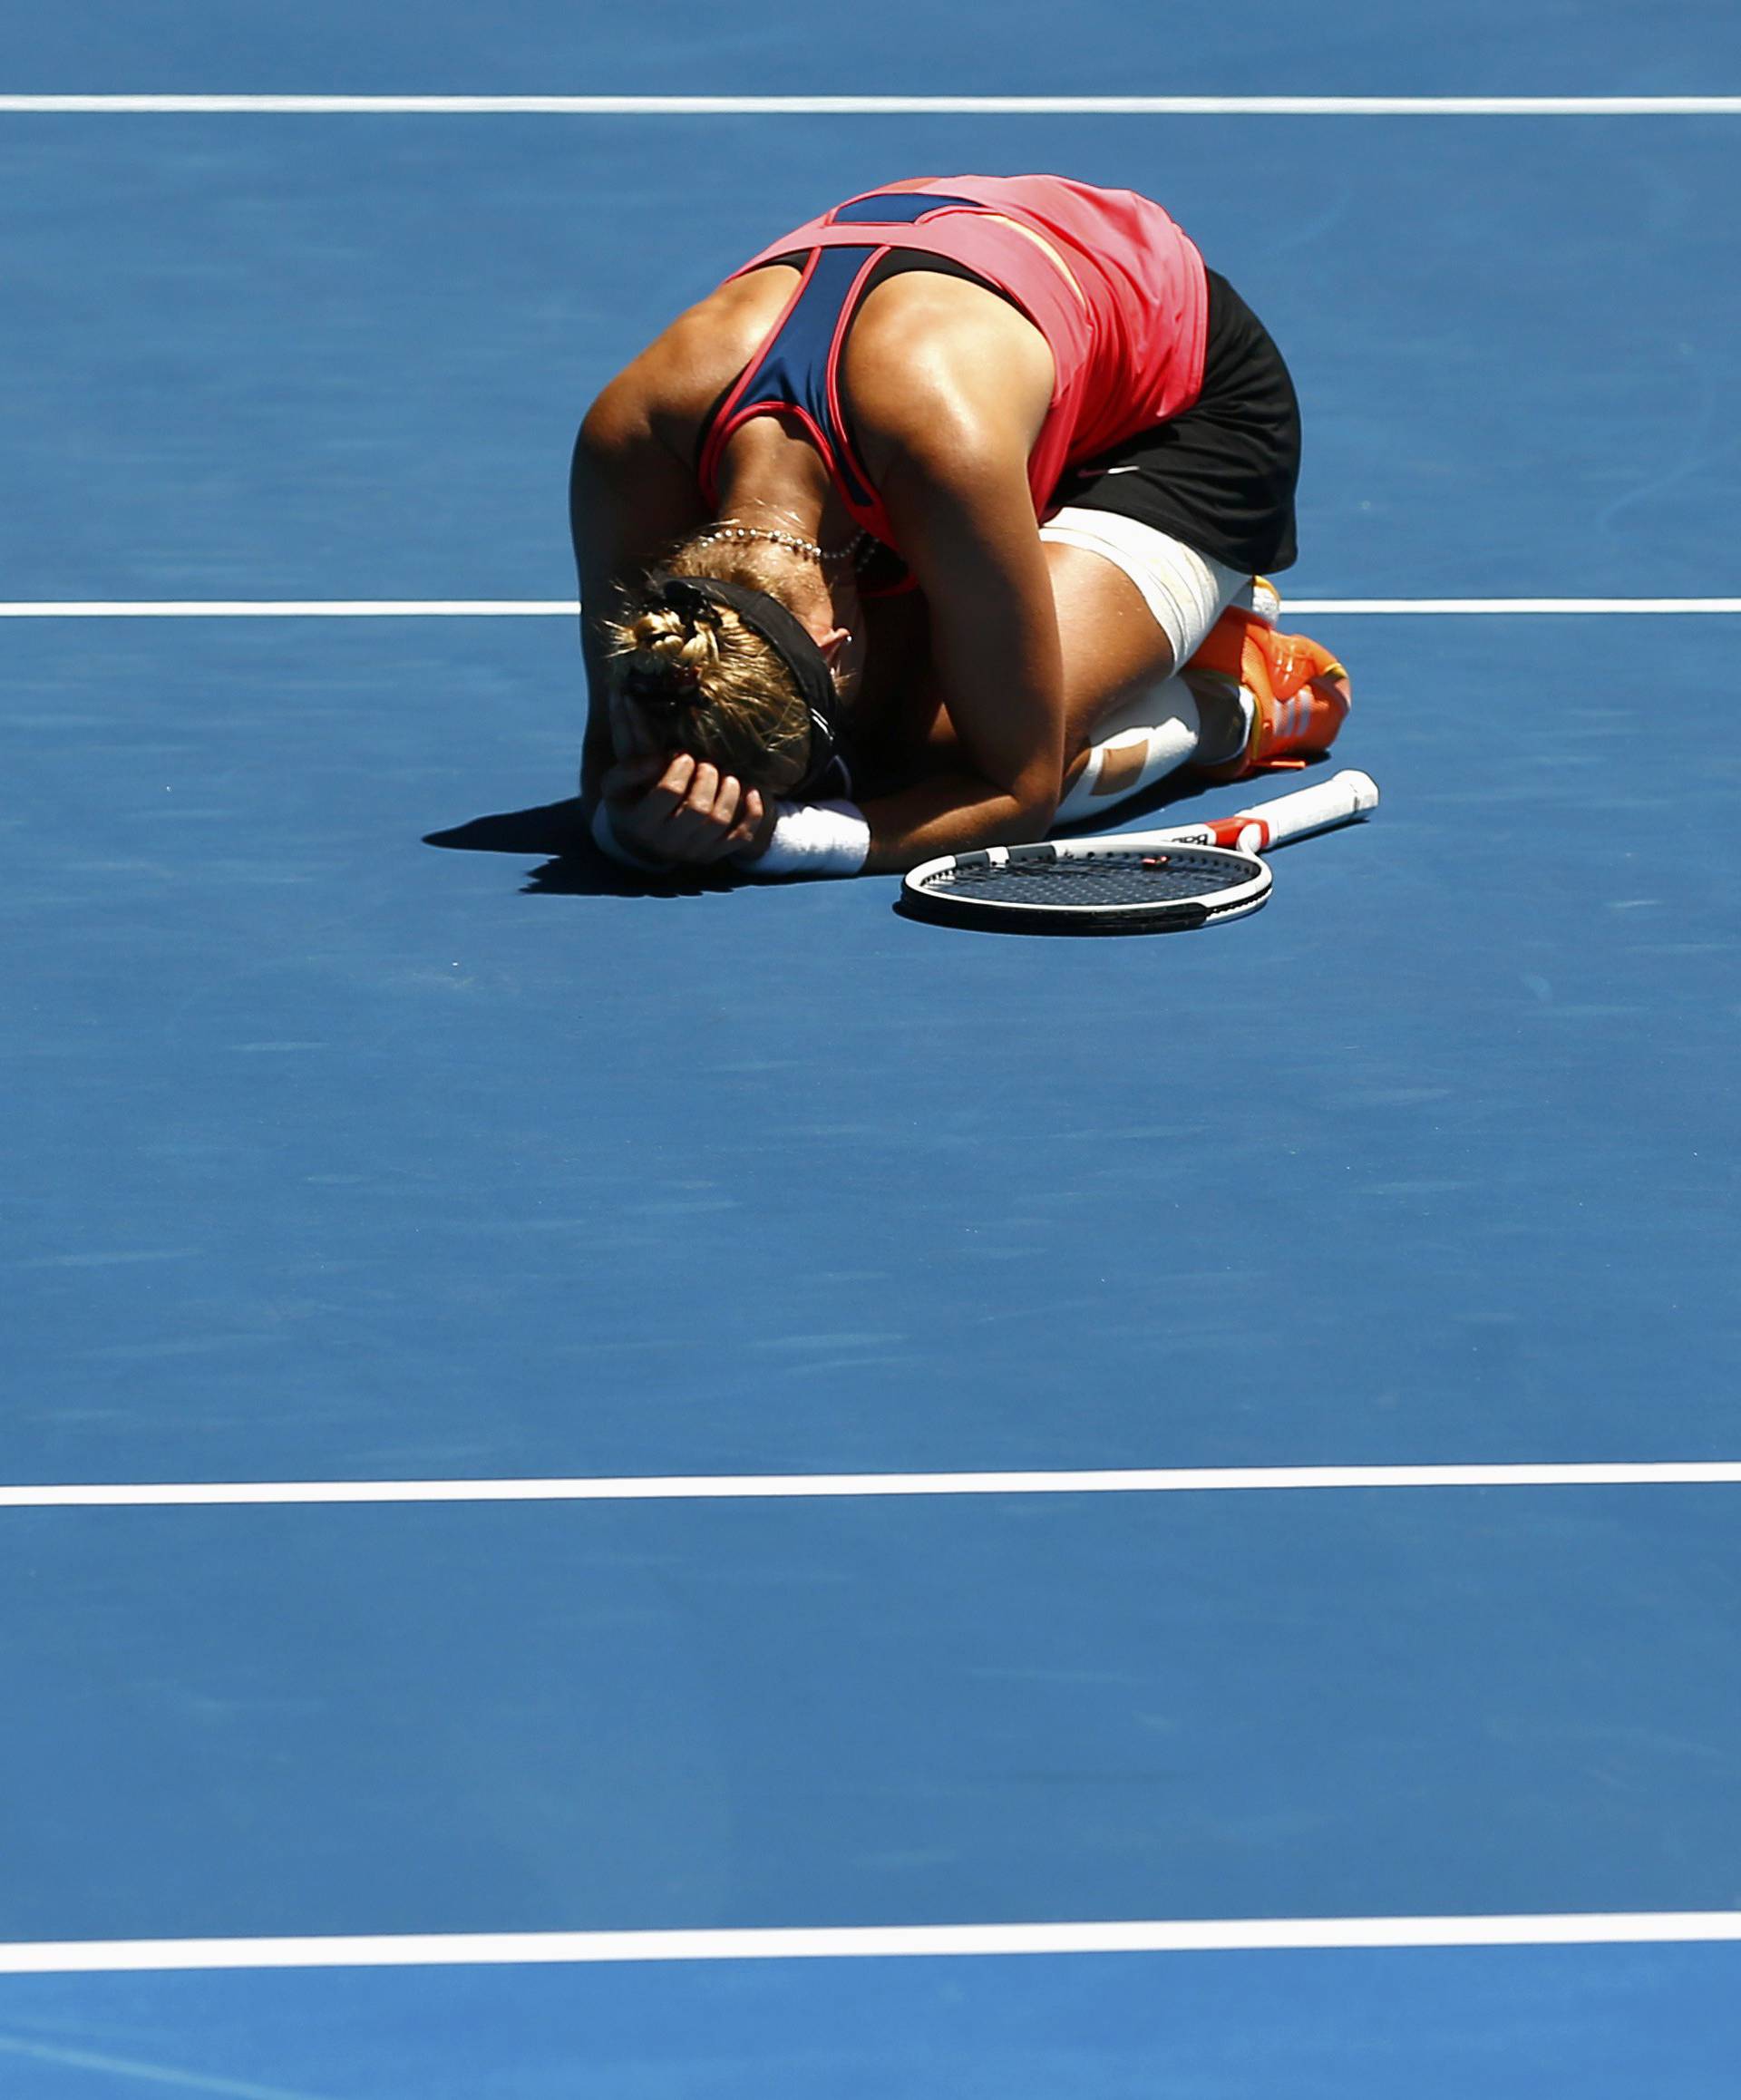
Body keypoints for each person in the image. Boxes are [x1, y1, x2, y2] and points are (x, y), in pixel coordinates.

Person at [570, 173, 1350, 880]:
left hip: (1181, 413)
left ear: (838, 643)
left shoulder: (946, 450)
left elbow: (1019, 790)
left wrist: (774, 837)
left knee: (942, 750)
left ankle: (1229, 697)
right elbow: (613, 745)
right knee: (844, 737)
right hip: (963, 373)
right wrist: (633, 812)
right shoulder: (631, 443)